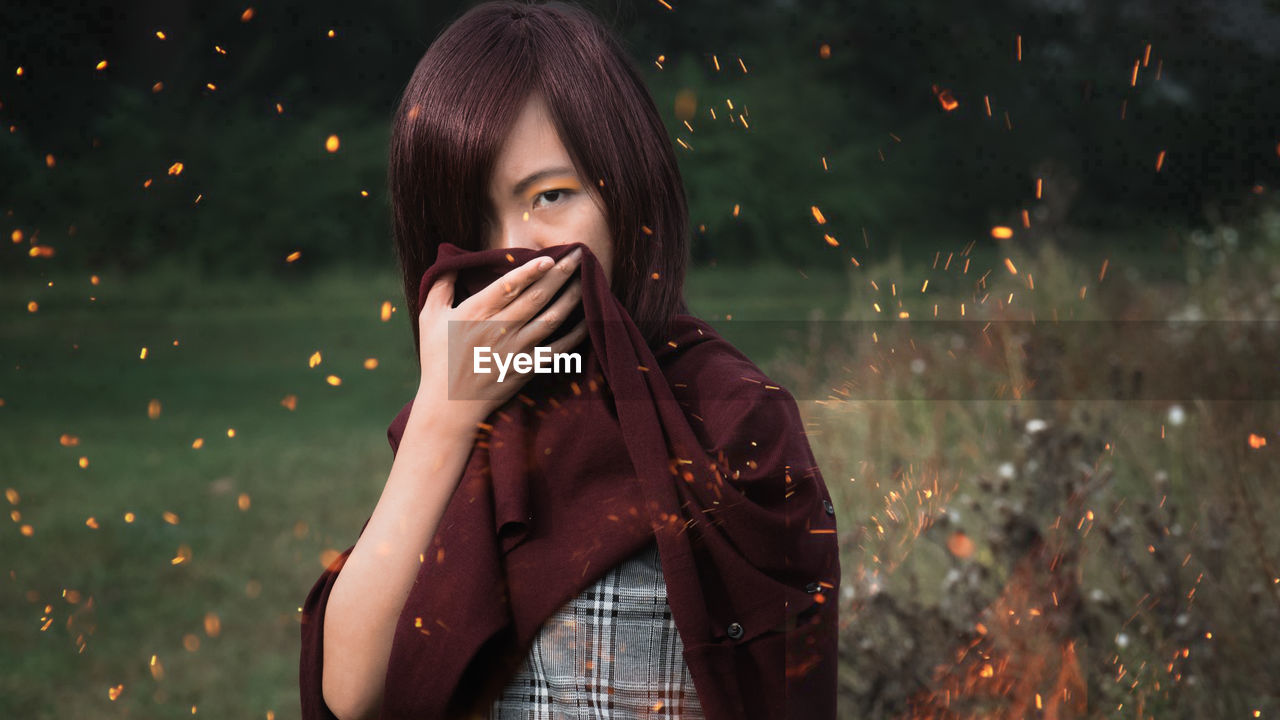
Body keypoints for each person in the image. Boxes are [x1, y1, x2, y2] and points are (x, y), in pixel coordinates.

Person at [300, 2, 840, 719]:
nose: (516, 249)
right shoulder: (465, 425)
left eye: (550, 196)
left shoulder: (732, 413)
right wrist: (444, 418)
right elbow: (352, 691)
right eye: (472, 222)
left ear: (629, 197)